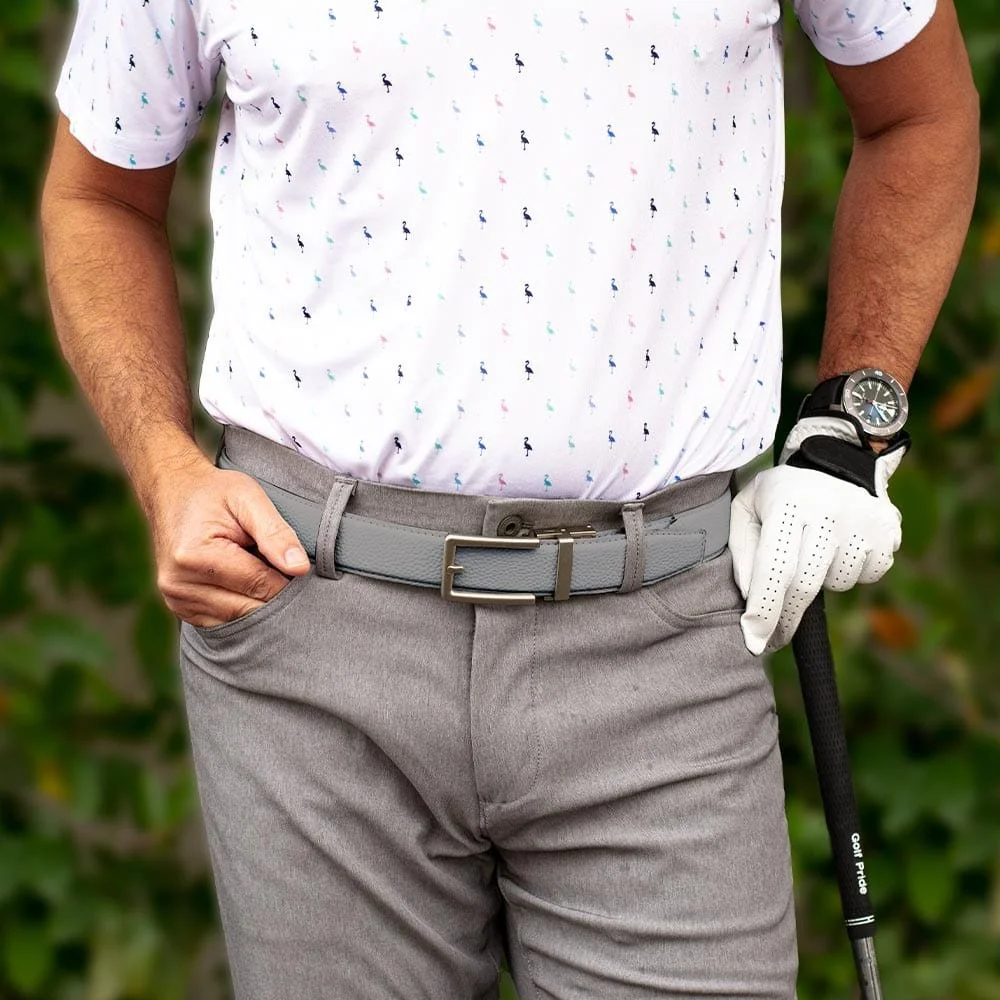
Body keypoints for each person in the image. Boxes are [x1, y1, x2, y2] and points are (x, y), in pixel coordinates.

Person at [41, 2, 978, 997]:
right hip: (306, 627)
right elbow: (97, 198)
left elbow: (921, 112)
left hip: (659, 647)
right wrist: (164, 468)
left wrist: (852, 427)